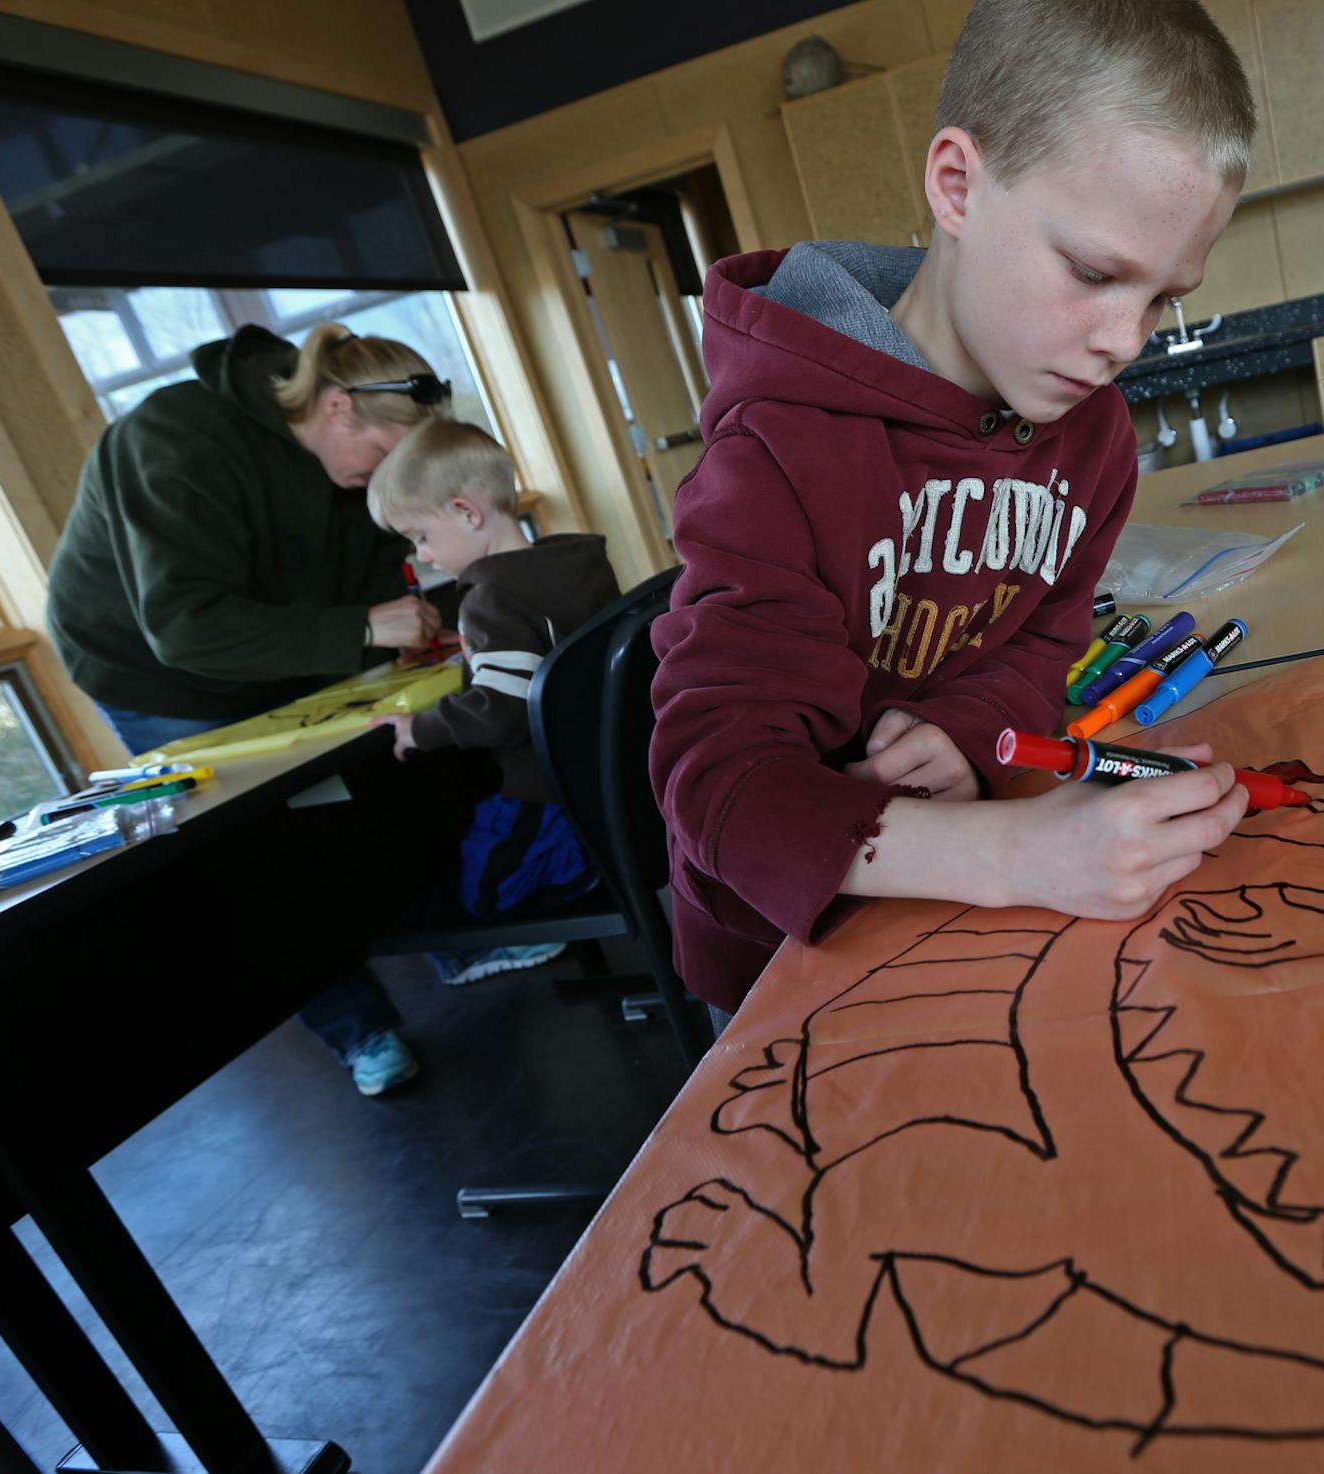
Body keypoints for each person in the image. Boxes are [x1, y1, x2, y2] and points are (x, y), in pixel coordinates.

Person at [649, 0, 1256, 1028]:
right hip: (792, 958)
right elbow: (722, 793)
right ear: (957, 186)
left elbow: (1042, 646)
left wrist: (963, 731)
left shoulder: (1093, 435)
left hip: (972, 912)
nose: (1124, 341)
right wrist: (1024, 852)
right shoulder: (776, 451)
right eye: (1096, 273)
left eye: (1162, 297)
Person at [47, 322, 451, 1095]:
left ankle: (448, 938)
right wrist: (359, 629)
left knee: (362, 788)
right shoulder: (172, 440)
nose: (384, 479)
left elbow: (373, 562)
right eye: (384, 459)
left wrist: (388, 620)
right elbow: (186, 627)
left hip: (283, 638)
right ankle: (361, 1030)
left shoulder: (343, 465)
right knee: (255, 847)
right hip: (157, 670)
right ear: (338, 409)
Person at [367, 419, 620, 983]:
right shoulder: (578, 565)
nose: (423, 556)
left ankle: (581, 870)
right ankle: (596, 856)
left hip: (545, 792)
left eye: (420, 536)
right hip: (612, 776)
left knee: (481, 891)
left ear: (466, 512)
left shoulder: (488, 600)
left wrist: (420, 728)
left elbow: (499, 712)